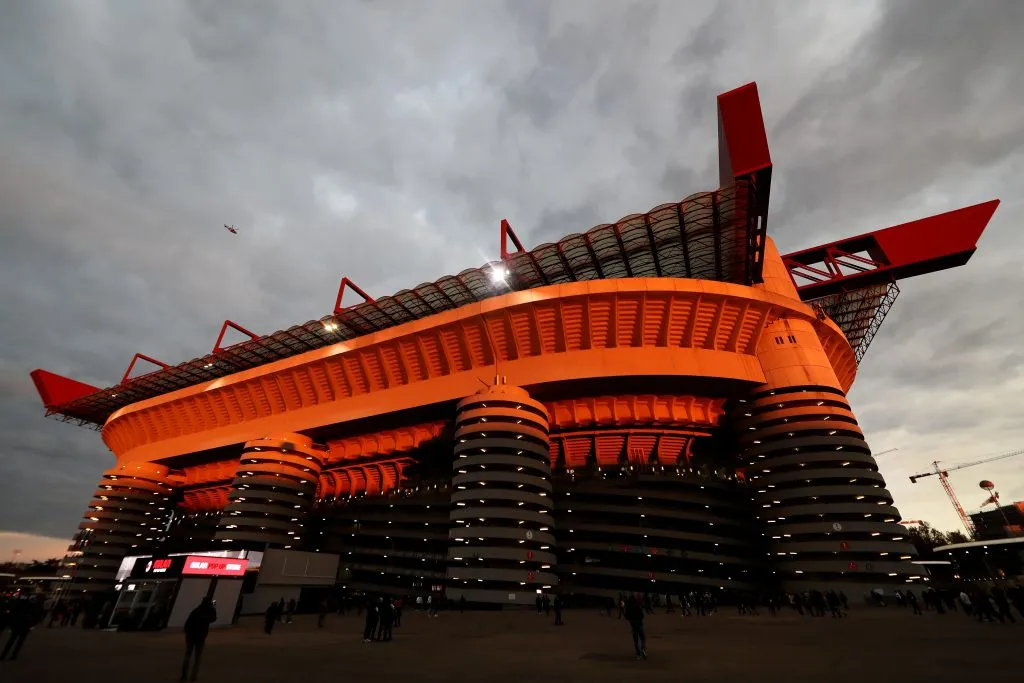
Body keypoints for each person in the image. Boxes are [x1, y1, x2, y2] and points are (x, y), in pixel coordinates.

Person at [181, 597, 217, 682]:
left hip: (190, 637)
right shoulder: (208, 613)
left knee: (188, 656)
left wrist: (188, 633)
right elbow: (213, 619)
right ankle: (193, 676)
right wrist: (213, 608)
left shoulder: (196, 611)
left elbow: (187, 624)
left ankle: (184, 676)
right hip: (200, 637)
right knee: (197, 658)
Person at [624, 595, 646, 659]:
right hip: (639, 624)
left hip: (633, 625)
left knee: (636, 640)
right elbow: (642, 615)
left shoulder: (628, 608)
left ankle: (638, 654)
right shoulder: (637, 606)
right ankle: (643, 649)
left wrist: (630, 619)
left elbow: (626, 617)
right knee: (643, 638)